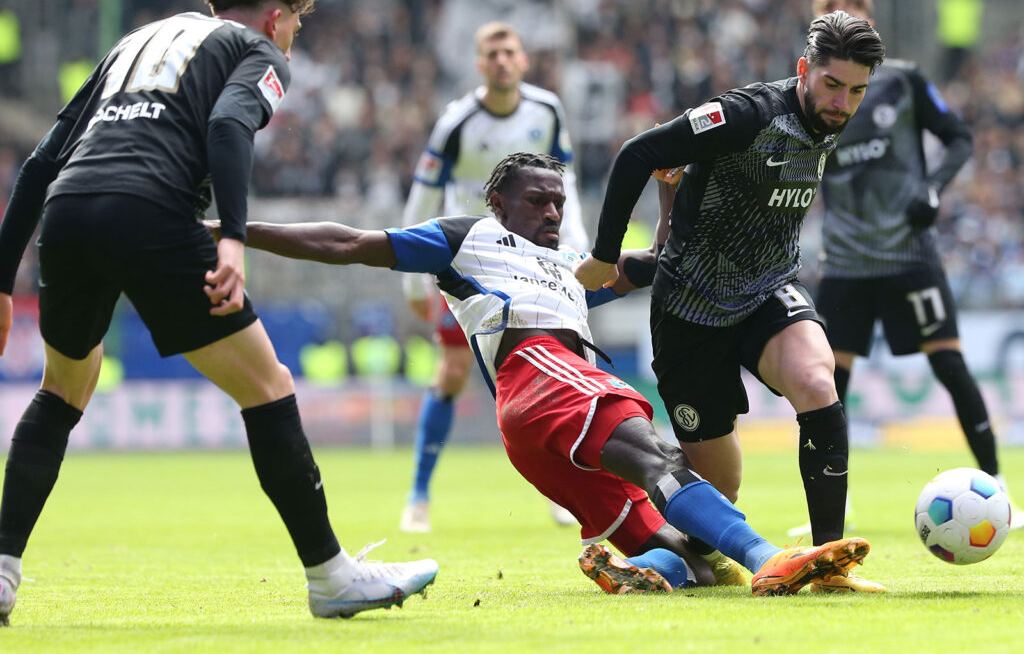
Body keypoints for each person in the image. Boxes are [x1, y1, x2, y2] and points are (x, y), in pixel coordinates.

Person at [0, 0, 437, 626]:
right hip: (151, 211)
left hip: (69, 212)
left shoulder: (135, 44)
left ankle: (0, 573)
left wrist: (2, 280)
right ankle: (331, 576)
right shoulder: (256, 50)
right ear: (274, 16)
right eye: (294, 24)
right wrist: (232, 236)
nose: (293, 38)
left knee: (63, 389)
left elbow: (39, 162)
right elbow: (230, 124)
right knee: (268, 387)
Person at [215, 151, 876, 597]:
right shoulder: (468, 237)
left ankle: (632, 566)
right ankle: (772, 559)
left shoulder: (568, 272)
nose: (553, 213)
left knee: (701, 559)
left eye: (559, 202)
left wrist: (667, 193)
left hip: (539, 424)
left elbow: (658, 261)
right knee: (665, 460)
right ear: (498, 203)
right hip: (541, 371)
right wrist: (235, 231)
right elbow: (347, 243)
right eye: (537, 201)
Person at [575, 12, 888, 593]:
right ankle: (661, 561)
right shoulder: (747, 114)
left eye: (856, 91)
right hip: (689, 313)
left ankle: (828, 565)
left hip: (767, 290)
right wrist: (604, 254)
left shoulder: (831, 120)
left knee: (818, 382)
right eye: (833, 85)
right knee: (720, 491)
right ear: (803, 71)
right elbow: (639, 152)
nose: (843, 102)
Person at [796, 0, 1022, 532]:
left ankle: (998, 494)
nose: (840, 26)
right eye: (828, 18)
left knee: (949, 364)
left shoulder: (901, 80)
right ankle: (833, 505)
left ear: (870, 25)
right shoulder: (808, 95)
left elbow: (959, 138)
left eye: (849, 16)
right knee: (826, 381)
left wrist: (935, 190)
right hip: (846, 261)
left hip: (908, 253)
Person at [399, 21, 587, 533]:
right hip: (471, 259)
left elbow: (563, 182)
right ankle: (418, 495)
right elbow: (424, 191)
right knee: (453, 370)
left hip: (531, 259)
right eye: (492, 54)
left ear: (523, 60)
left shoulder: (546, 110)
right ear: (480, 64)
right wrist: (414, 278)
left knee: (554, 368)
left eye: (510, 51)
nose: (502, 60)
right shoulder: (457, 121)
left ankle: (562, 493)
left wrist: (575, 245)